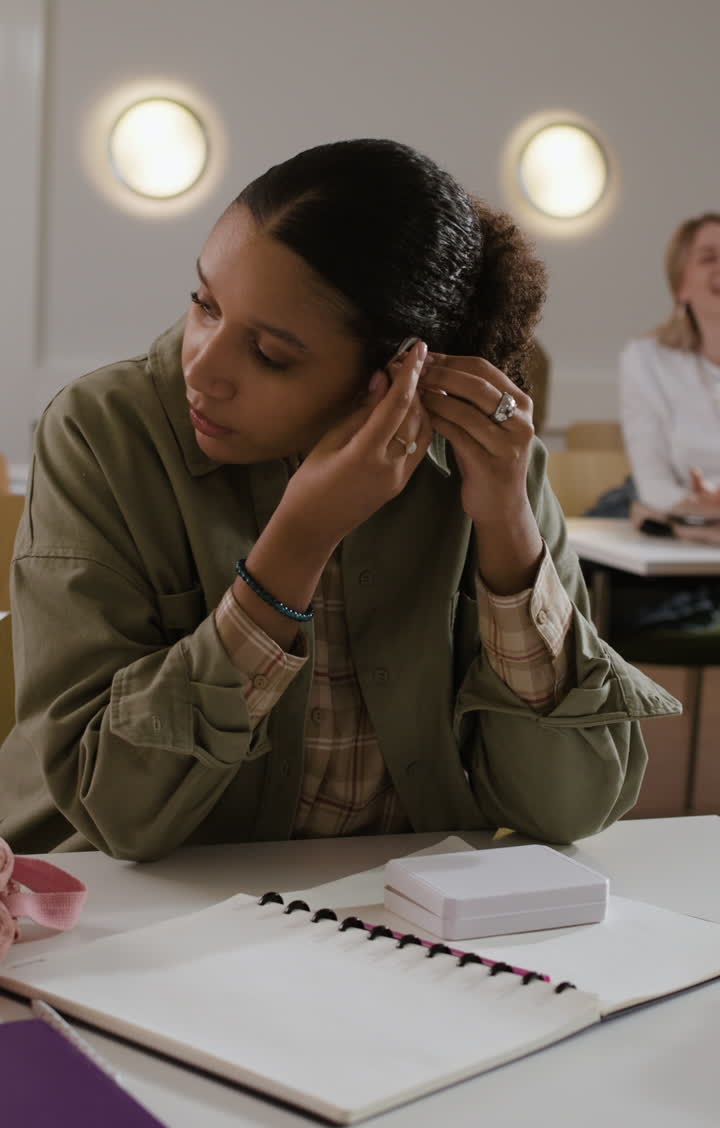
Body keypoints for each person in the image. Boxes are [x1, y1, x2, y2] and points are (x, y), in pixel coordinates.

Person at [0, 139, 677, 860]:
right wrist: (297, 543)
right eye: (205, 304)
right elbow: (115, 811)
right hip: (124, 915)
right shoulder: (104, 433)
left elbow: (572, 805)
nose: (203, 368)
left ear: (397, 373)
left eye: (271, 355)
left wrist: (508, 529)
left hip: (393, 920)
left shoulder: (488, 458)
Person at [620, 212, 720, 529]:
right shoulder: (644, 360)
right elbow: (653, 484)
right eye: (709, 258)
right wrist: (697, 508)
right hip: (677, 522)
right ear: (681, 286)